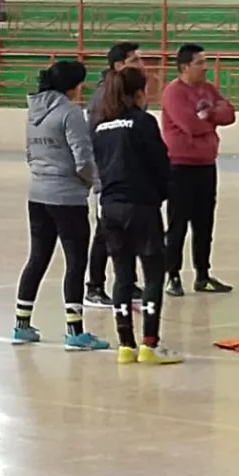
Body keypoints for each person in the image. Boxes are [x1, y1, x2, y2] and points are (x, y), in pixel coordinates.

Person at [13, 60, 109, 351]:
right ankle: (75, 331)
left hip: (38, 193)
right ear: (74, 85)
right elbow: (83, 156)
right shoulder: (70, 113)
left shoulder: (33, 112)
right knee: (76, 261)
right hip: (67, 197)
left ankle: (22, 325)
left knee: (38, 258)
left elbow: (30, 152)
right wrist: (93, 184)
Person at [92, 67, 181, 365]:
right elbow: (159, 163)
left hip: (110, 208)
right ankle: (150, 344)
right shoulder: (143, 122)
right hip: (140, 206)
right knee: (154, 272)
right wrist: (161, 193)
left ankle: (125, 345)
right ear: (139, 93)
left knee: (122, 274)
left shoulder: (100, 126)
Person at [161, 43, 236, 296]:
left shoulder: (207, 89)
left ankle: (202, 274)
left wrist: (209, 115)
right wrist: (210, 121)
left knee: (204, 224)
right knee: (178, 223)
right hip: (180, 166)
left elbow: (229, 114)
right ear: (185, 67)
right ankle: (172, 275)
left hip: (206, 165)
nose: (205, 67)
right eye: (200, 63)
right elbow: (190, 124)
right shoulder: (174, 93)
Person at [83, 41, 144, 307]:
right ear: (119, 66)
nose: (141, 65)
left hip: (127, 175)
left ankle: (127, 282)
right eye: (135, 61)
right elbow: (96, 139)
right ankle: (94, 286)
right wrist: (100, 177)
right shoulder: (103, 98)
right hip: (108, 176)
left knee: (127, 230)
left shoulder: (128, 95)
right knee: (105, 232)